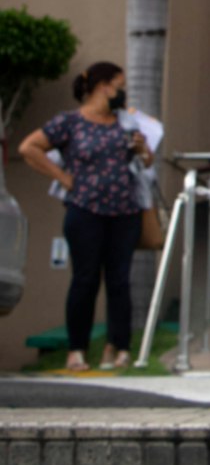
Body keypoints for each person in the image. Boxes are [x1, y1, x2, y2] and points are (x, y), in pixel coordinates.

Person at [19, 61, 150, 372]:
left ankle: (119, 348)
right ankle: (76, 350)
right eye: (119, 85)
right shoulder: (70, 122)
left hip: (125, 212)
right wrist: (64, 178)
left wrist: (143, 148)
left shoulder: (126, 123)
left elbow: (145, 162)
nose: (122, 91)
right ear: (102, 86)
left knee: (119, 281)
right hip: (85, 212)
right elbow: (29, 147)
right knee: (85, 280)